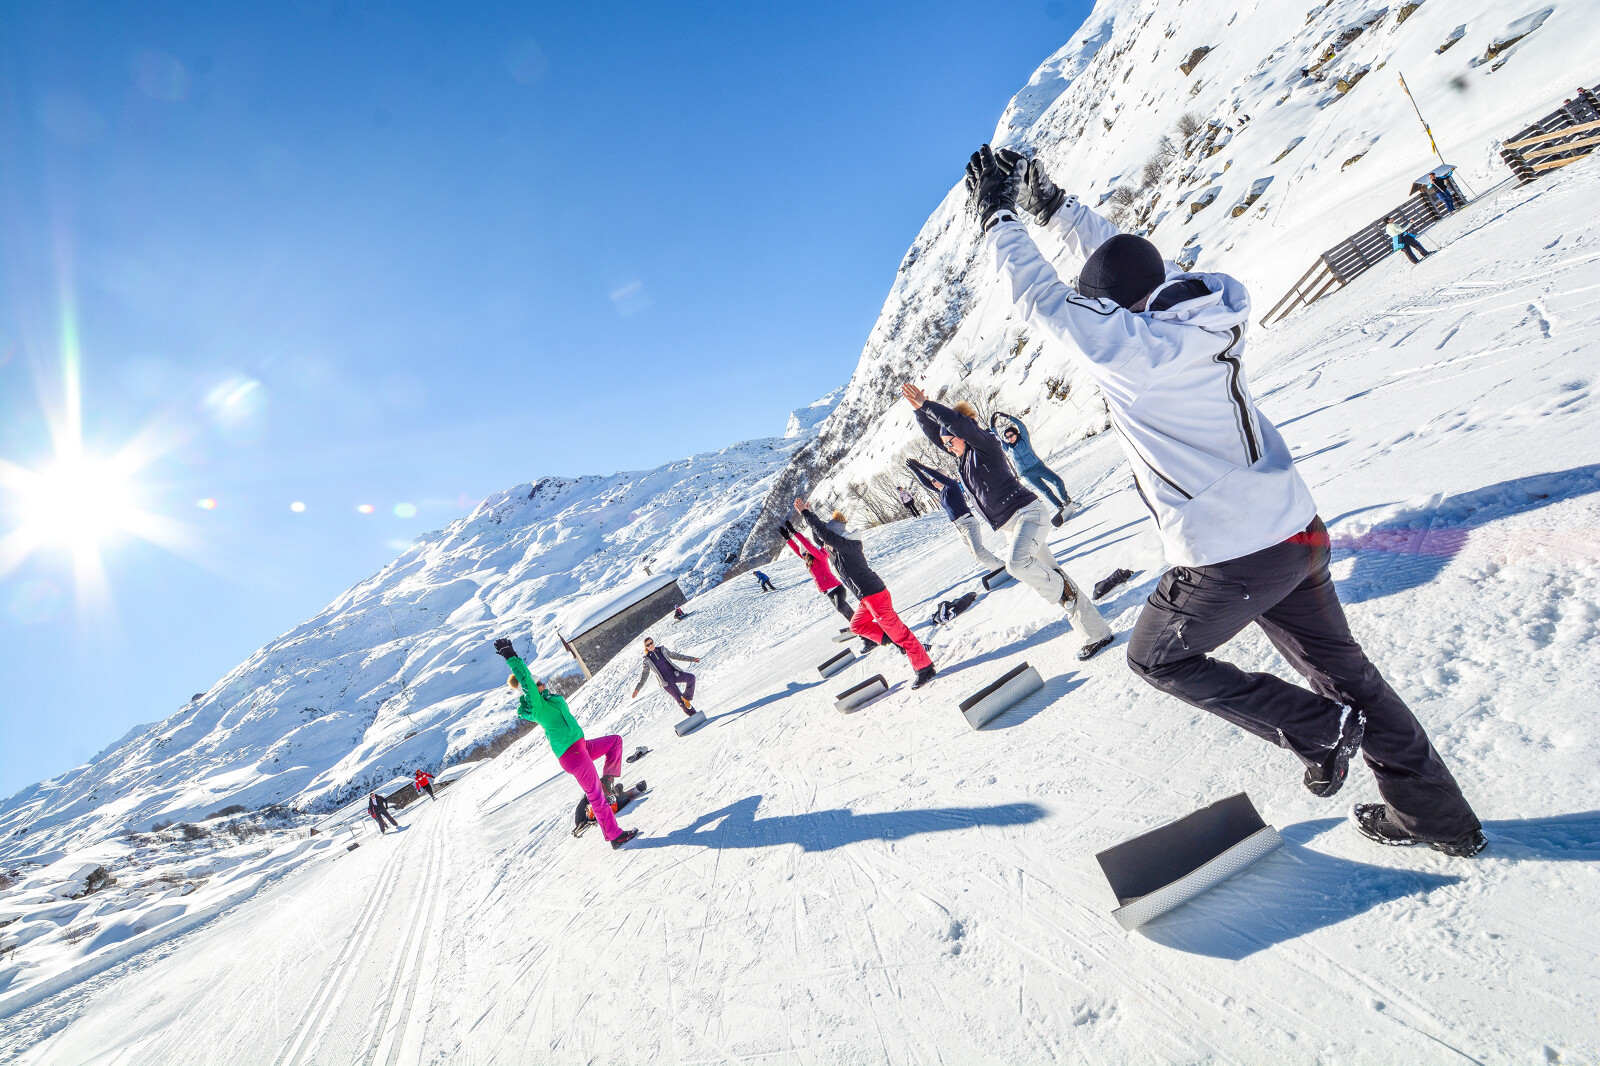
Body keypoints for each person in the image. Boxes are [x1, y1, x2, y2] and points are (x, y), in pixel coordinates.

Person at [963, 143, 1485, 856]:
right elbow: (1128, 261)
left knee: (1156, 659)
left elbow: (1042, 299)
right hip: (1295, 530)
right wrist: (1054, 207)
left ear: (1113, 311)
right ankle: (1438, 819)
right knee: (1353, 678)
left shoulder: (1132, 353)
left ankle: (1317, 730)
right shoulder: (1204, 306)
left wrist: (996, 216)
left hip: (1230, 556)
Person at [904, 386, 1114, 661]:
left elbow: (953, 425)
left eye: (950, 442)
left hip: (1029, 514)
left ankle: (1063, 590)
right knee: (1050, 572)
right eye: (946, 444)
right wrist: (919, 411)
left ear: (963, 435)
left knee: (1017, 564)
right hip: (1010, 526)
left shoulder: (985, 444)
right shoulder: (964, 458)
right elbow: (940, 434)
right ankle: (1097, 634)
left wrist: (928, 403)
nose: (947, 446)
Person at [495, 637, 638, 848]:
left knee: (615, 742)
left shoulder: (549, 700)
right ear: (533, 689)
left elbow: (534, 685)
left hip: (582, 747)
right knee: (596, 797)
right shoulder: (537, 707)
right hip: (573, 755)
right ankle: (615, 836)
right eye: (539, 683)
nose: (544, 683)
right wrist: (511, 657)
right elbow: (526, 682)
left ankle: (607, 781)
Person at [794, 498, 937, 688]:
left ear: (837, 537)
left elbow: (825, 536)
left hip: (874, 595)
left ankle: (925, 668)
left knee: (901, 634)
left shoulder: (848, 547)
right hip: (866, 599)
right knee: (857, 625)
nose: (826, 544)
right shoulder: (837, 549)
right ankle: (892, 640)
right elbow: (820, 538)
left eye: (830, 540)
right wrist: (811, 518)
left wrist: (807, 514)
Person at [905, 457, 1005, 573]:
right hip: (958, 527)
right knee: (974, 553)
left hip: (968, 523)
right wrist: (916, 471)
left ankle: (1001, 567)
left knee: (978, 551)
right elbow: (927, 484)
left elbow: (938, 477)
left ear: (941, 478)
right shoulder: (942, 491)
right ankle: (996, 569)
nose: (932, 482)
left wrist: (921, 467)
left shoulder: (952, 486)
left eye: (934, 479)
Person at [991, 411, 1077, 524]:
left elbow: (1021, 425)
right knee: (1046, 491)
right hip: (1027, 474)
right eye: (1007, 437)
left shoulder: (1024, 440)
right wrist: (992, 425)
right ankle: (1060, 507)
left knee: (1058, 481)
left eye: (1011, 435)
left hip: (1038, 467)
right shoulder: (1008, 448)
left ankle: (1067, 500)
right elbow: (996, 438)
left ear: (1016, 434)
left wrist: (1007, 416)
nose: (1009, 438)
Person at [779, 519, 859, 627]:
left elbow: (809, 547)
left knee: (840, 607)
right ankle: (857, 627)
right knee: (842, 611)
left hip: (836, 588)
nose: (804, 555)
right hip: (828, 592)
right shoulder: (808, 560)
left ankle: (859, 624)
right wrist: (788, 538)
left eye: (805, 552)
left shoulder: (820, 556)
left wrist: (794, 532)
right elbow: (798, 551)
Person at [632, 636, 702, 715]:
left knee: (691, 678)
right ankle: (694, 715)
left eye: (651, 643)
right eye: (648, 645)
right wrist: (637, 689)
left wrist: (692, 659)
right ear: (646, 647)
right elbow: (644, 676)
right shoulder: (647, 660)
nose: (650, 645)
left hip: (674, 674)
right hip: (666, 682)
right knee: (679, 700)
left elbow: (676, 656)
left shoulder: (662, 650)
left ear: (653, 643)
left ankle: (687, 697)